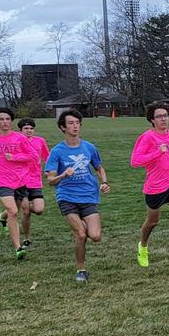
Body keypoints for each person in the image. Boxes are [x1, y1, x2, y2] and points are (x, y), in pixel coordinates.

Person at [45, 109, 111, 282]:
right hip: (67, 196)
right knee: (81, 235)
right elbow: (50, 180)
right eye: (71, 123)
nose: (75, 126)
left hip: (89, 195)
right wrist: (62, 175)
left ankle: (82, 223)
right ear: (62, 127)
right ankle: (81, 270)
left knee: (95, 236)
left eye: (77, 123)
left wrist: (104, 182)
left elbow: (99, 168)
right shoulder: (57, 152)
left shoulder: (89, 147)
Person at [130, 103, 169, 269]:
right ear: (152, 120)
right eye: (159, 116)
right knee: (152, 222)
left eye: (165, 115)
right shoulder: (147, 137)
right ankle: (142, 247)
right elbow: (135, 161)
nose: (164, 119)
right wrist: (158, 152)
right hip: (155, 186)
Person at [0, 107, 38, 259]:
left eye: (7, 119)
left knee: (13, 210)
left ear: (11, 121)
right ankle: (18, 248)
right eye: (1, 119)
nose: (4, 122)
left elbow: (32, 156)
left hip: (20, 180)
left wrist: (15, 157)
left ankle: (1, 216)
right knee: (13, 212)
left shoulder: (20, 138)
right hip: (0, 179)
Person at [17, 118, 50, 249]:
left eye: (31, 128)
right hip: (20, 181)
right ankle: (27, 238)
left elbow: (47, 157)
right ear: (20, 130)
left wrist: (49, 170)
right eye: (26, 128)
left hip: (35, 180)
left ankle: (7, 212)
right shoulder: (16, 142)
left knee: (39, 210)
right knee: (26, 212)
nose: (29, 131)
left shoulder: (40, 141)